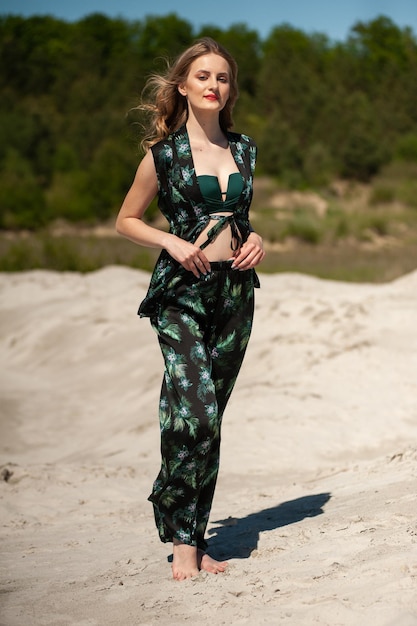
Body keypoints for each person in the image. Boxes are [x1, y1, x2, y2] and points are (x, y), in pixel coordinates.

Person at [116, 37, 265, 581]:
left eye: (222, 78)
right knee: (195, 413)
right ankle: (182, 543)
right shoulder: (163, 155)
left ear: (230, 91)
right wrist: (171, 242)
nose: (213, 85)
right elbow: (125, 219)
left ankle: (196, 536)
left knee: (210, 420)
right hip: (180, 293)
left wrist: (255, 241)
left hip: (235, 295)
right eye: (202, 76)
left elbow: (240, 219)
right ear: (183, 85)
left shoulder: (245, 150)